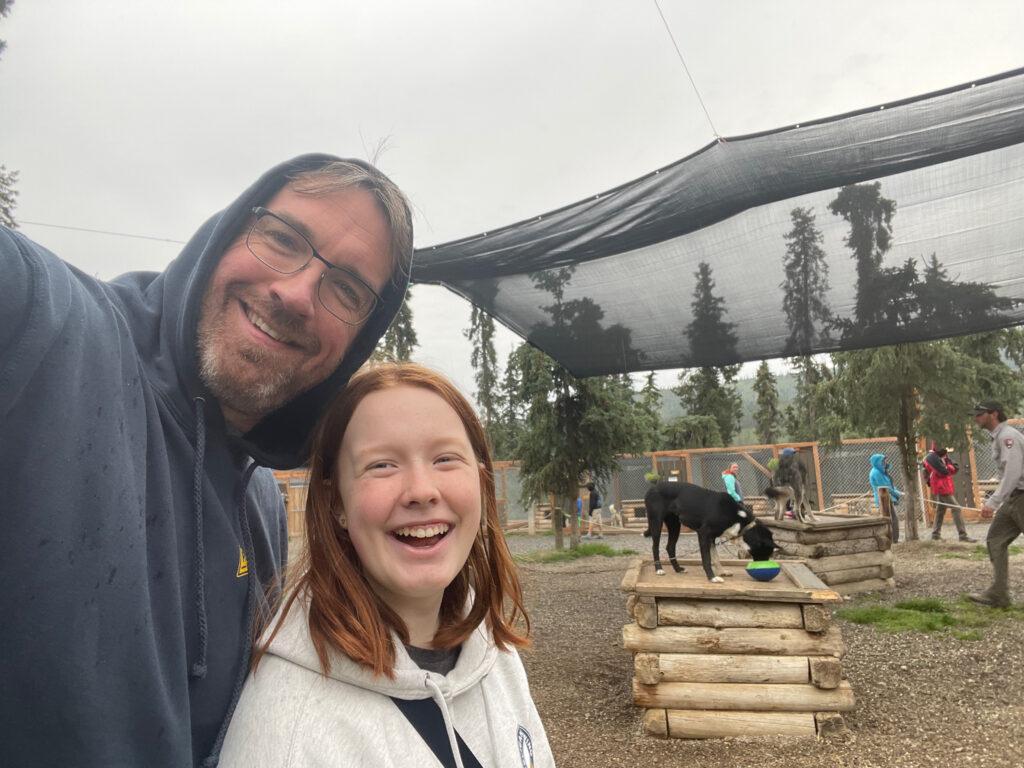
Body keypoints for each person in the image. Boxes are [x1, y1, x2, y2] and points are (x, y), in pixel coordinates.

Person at [0, 155, 413, 767]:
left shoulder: (263, 504)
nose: (299, 294)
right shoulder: (49, 324)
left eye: (347, 289)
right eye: (282, 238)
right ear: (225, 232)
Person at [218, 363, 554, 767]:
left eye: (446, 458)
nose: (421, 490)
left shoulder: (493, 654)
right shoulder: (286, 727)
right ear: (336, 502)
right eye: (382, 465)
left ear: (481, 483)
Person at [967, 401, 1024, 608]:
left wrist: (992, 502)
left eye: (980, 414)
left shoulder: (1008, 436)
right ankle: (999, 594)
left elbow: (1013, 473)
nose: (975, 418)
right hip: (1012, 498)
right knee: (995, 540)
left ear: (994, 414)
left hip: (1021, 496)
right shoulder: (998, 437)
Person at [923, 442, 976, 542]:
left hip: (947, 485)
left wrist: (948, 467)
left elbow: (955, 468)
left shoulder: (944, 456)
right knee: (956, 508)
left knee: (940, 510)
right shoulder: (931, 457)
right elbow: (943, 471)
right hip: (940, 487)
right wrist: (947, 468)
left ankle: (935, 534)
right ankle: (962, 535)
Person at [869, 454, 903, 543]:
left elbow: (890, 485)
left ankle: (892, 539)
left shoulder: (881, 471)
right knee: (892, 520)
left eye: (885, 461)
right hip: (884, 499)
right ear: (877, 462)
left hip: (888, 498)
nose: (885, 462)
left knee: (891, 519)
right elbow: (886, 487)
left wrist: (898, 492)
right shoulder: (876, 473)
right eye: (883, 461)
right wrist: (897, 495)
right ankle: (893, 540)